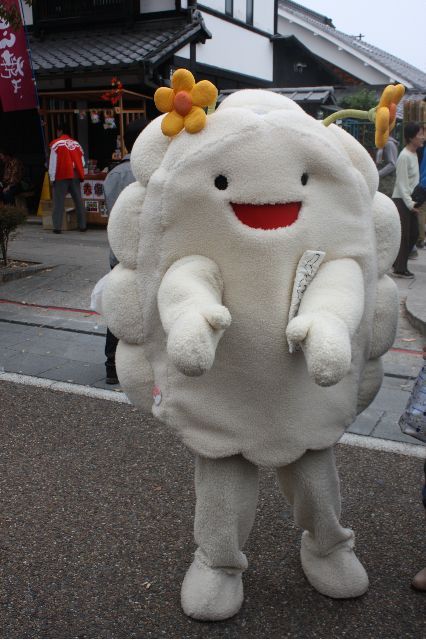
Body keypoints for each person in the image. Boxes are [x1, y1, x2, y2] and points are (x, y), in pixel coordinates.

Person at [103, 118, 148, 385]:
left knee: (119, 306)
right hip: (147, 255)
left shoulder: (113, 174)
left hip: (118, 252)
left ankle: (112, 365)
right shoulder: (153, 172)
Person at [392, 122, 424, 278]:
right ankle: (400, 268)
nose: (423, 137)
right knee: (405, 235)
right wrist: (410, 204)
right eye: (420, 134)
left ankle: (397, 263)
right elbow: (402, 183)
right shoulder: (404, 156)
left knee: (414, 234)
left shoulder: (415, 154)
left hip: (409, 200)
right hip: (402, 200)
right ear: (411, 137)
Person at [48, 124, 87, 233]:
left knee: (58, 202)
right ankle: (83, 226)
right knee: (78, 200)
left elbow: (53, 162)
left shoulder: (56, 144)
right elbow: (83, 162)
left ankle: (57, 227)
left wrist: (52, 177)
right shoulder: (76, 144)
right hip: (75, 174)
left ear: (60, 131)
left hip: (62, 173)